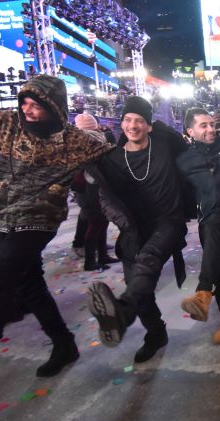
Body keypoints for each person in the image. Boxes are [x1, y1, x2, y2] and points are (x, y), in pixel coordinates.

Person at [0, 75, 112, 400]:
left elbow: (113, 155)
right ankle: (64, 344)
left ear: (54, 107)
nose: (28, 110)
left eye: (36, 105)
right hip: (2, 218)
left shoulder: (73, 140)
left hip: (38, 220)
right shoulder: (3, 122)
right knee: (29, 285)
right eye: (25, 102)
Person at [86, 96, 188, 363]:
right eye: (128, 120)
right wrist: (121, 221)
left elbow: (192, 141)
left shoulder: (164, 144)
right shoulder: (112, 159)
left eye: (140, 120)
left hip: (168, 221)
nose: (133, 125)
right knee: (138, 284)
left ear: (149, 125)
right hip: (134, 228)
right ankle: (154, 332)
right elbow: (103, 197)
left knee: (148, 259)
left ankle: (123, 311)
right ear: (121, 124)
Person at [176, 108, 220, 345]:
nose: (210, 129)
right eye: (203, 125)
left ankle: (203, 293)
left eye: (212, 124)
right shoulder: (184, 160)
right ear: (190, 131)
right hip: (210, 220)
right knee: (218, 268)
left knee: (213, 224)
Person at [73, 112, 120, 271]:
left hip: (90, 190)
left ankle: (102, 255)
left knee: (101, 223)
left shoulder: (80, 143)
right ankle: (90, 261)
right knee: (95, 226)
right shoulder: (88, 143)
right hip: (90, 192)